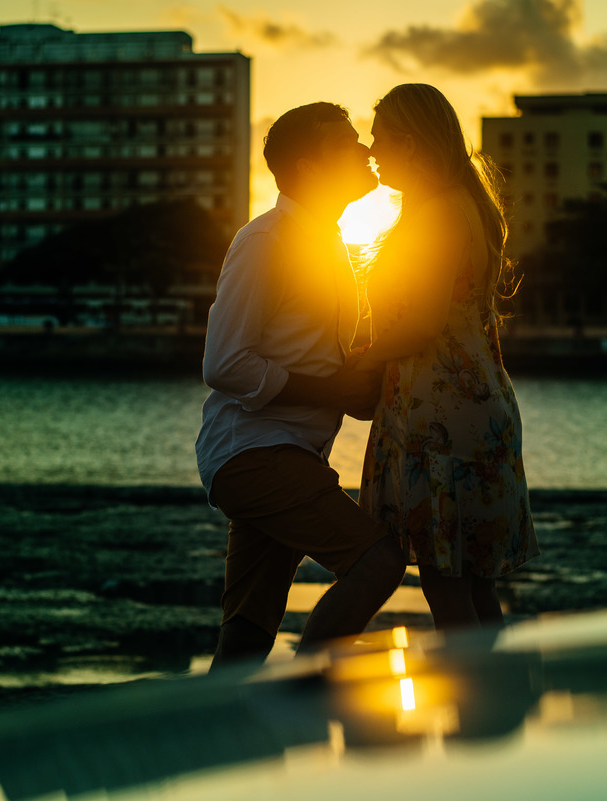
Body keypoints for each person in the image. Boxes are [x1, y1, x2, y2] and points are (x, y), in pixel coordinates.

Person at [196, 102, 407, 668]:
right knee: (380, 559)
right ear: (312, 167)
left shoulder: (327, 241)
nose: (364, 151)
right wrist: (335, 390)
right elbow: (224, 364)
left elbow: (312, 354)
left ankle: (220, 743)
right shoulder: (267, 239)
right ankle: (305, 698)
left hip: (287, 453)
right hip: (254, 453)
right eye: (347, 144)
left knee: (246, 635)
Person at [355, 84, 539, 630]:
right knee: (470, 579)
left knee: (445, 577)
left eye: (379, 137)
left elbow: (420, 322)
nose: (370, 148)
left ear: (410, 144)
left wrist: (352, 358)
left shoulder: (435, 214)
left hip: (440, 417)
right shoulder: (465, 205)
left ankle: (476, 704)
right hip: (472, 406)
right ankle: (492, 703)